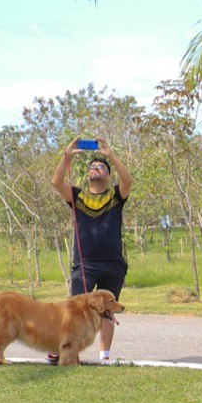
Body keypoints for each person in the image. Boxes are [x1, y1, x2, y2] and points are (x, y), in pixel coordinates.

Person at [50, 138, 132, 363]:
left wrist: (111, 155)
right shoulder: (77, 196)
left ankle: (104, 357)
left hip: (113, 264)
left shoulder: (116, 195)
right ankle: (62, 349)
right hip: (85, 264)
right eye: (92, 167)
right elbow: (56, 182)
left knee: (107, 311)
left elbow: (128, 179)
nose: (96, 169)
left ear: (107, 175)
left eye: (101, 167)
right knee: (75, 309)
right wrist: (67, 156)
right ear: (87, 175)